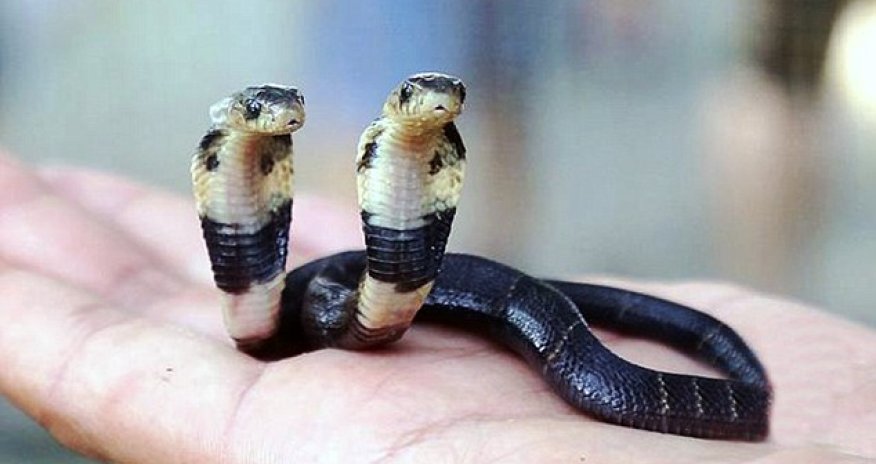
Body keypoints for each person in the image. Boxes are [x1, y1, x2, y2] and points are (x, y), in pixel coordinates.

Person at [0, 151, 872, 463]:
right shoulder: (321, 283)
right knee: (476, 294)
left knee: (534, 307)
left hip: (541, 337)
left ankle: (722, 358)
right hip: (331, 294)